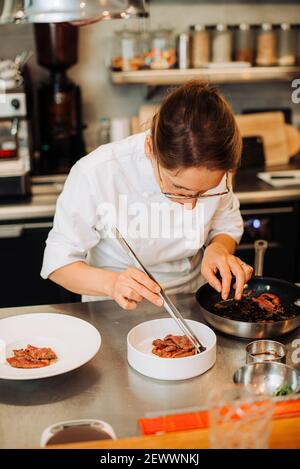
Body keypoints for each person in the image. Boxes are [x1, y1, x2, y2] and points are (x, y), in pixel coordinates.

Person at [41, 81, 253, 310]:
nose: (191, 205)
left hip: (192, 303)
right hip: (113, 309)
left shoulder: (216, 165)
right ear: (150, 149)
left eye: (205, 193)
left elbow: (226, 223)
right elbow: (59, 264)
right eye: (178, 189)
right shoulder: (98, 172)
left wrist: (217, 249)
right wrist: (112, 284)